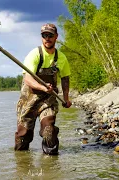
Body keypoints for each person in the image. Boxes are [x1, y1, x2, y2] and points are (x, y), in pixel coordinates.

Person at [15, 23, 72, 155]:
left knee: (49, 130)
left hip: (48, 100)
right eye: (44, 35)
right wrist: (42, 87)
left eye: (50, 35)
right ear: (41, 37)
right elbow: (27, 79)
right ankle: (22, 165)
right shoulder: (34, 54)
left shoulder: (61, 58)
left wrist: (66, 99)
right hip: (29, 99)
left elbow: (65, 79)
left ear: (56, 37)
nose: (47, 38)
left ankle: (50, 167)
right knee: (23, 136)